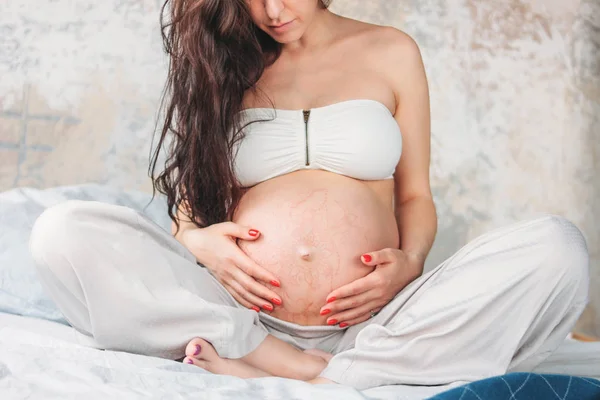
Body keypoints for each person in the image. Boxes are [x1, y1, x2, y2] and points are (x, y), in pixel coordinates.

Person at [29, 0, 590, 390]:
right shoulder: (224, 62)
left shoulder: (391, 51)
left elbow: (415, 196)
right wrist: (198, 243)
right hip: (241, 316)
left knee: (557, 248)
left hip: (377, 323)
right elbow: (188, 207)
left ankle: (330, 371)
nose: (274, 13)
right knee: (63, 231)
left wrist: (411, 262)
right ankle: (280, 360)